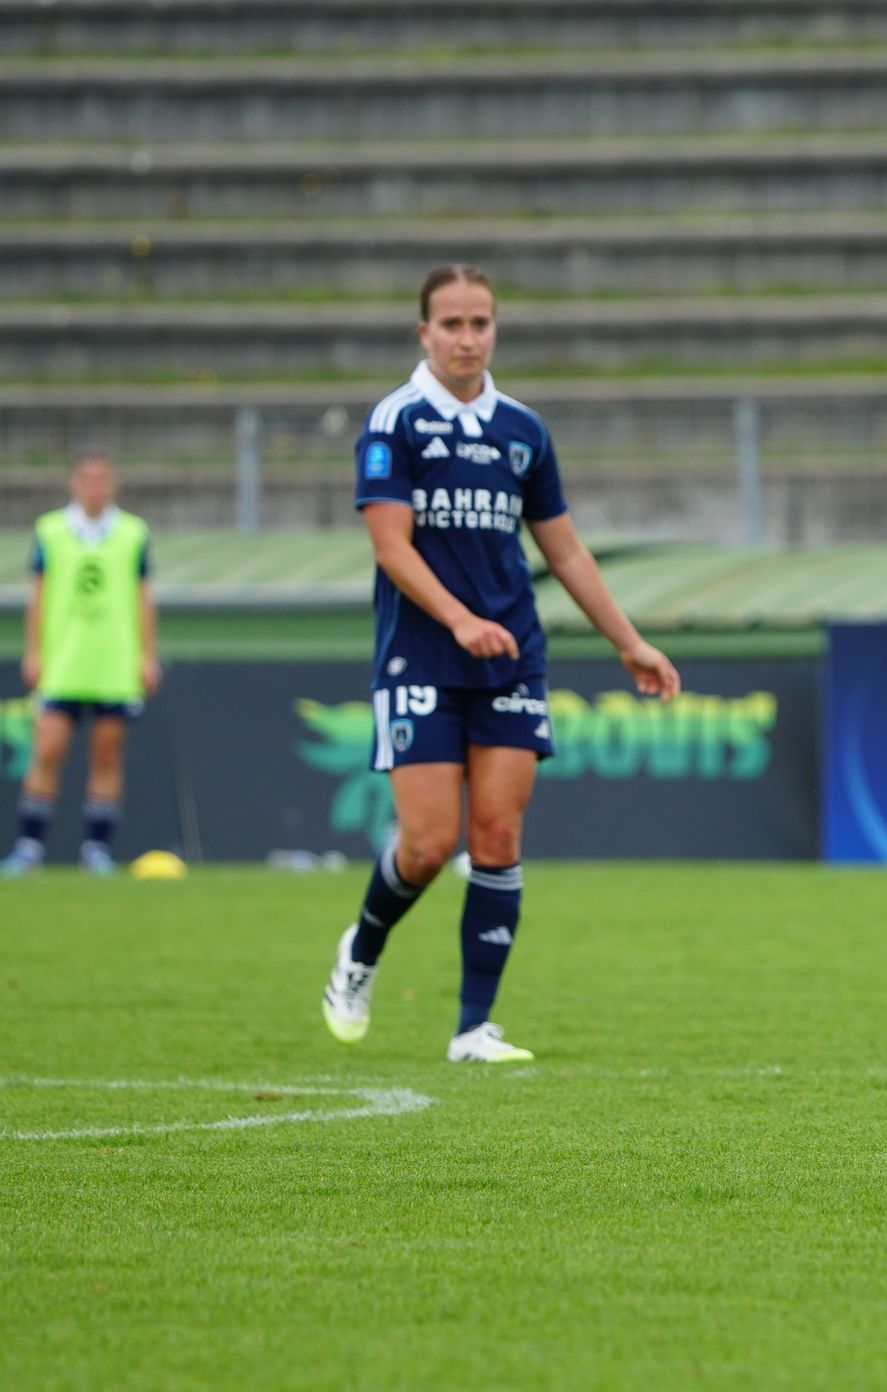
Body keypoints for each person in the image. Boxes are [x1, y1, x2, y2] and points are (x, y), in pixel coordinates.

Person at [320, 264, 680, 1062]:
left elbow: (567, 552)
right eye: (451, 324)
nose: (467, 338)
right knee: (426, 844)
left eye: (479, 323)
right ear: (424, 333)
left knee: (497, 833)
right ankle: (362, 950)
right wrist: (458, 620)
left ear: (495, 330)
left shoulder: (523, 430)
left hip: (511, 655)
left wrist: (630, 642)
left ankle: (472, 1028)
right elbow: (390, 548)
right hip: (421, 655)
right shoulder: (395, 422)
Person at [3, 452, 159, 877]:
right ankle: (29, 848)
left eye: (101, 478)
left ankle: (97, 850)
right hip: (64, 660)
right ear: (74, 483)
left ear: (112, 483)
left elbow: (143, 598)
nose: (94, 486)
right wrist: (33, 650)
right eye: (87, 478)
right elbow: (38, 595)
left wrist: (147, 655)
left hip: (114, 660)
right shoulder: (51, 530)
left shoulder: (132, 532)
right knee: (48, 749)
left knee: (106, 754)